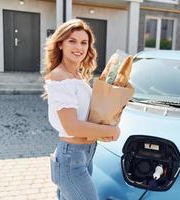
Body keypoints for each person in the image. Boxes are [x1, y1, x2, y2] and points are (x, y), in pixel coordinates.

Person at [43, 19, 120, 200]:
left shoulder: (77, 76)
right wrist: (111, 130)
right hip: (71, 158)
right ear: (60, 44)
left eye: (84, 42)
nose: (79, 47)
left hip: (85, 154)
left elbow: (86, 117)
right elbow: (72, 127)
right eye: (72, 41)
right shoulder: (60, 76)